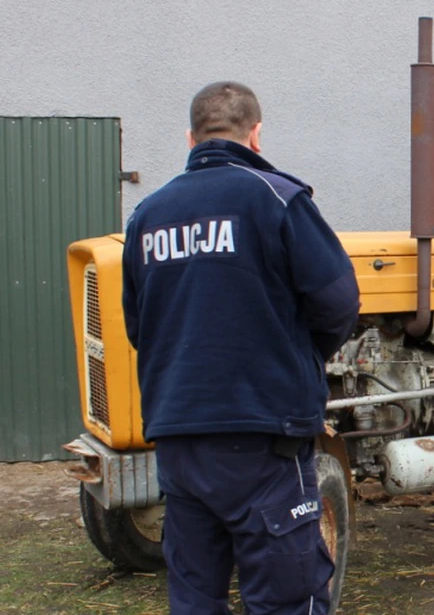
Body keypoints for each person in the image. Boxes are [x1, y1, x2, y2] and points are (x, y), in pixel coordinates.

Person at [122, 81, 360, 614]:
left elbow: (141, 326)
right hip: (262, 439)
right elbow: (339, 304)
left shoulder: (147, 216)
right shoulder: (276, 198)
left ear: (191, 138)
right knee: (285, 598)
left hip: (179, 441)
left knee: (195, 596)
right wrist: (295, 357)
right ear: (256, 134)